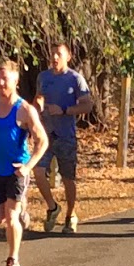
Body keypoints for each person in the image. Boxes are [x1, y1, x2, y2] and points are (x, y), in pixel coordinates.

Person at [0, 60, 48, 266]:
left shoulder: (24, 109)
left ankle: (12, 259)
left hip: (17, 170)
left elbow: (42, 141)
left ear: (15, 81)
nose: (0, 82)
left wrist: (28, 167)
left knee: (11, 216)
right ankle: (22, 209)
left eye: (5, 78)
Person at [35, 42, 93, 234]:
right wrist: (38, 109)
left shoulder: (76, 79)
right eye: (52, 54)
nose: (55, 58)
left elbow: (87, 106)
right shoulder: (43, 77)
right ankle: (52, 207)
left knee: (68, 178)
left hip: (66, 136)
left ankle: (70, 215)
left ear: (68, 56)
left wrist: (65, 110)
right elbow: (38, 98)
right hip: (46, 135)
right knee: (37, 170)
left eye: (59, 54)